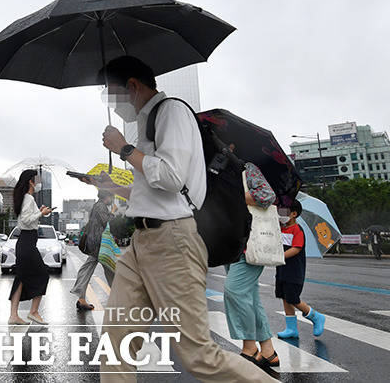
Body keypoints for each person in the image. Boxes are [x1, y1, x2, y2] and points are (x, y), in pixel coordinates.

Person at [87, 56, 276, 382]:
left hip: (172, 240)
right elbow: (154, 190)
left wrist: (124, 149)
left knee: (199, 356)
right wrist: (116, 185)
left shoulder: (171, 112)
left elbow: (172, 178)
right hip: (141, 242)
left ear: (132, 86)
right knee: (115, 342)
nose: (111, 103)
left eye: (111, 94)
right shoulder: (148, 123)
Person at [223, 162, 278, 368]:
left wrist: (231, 196)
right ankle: (268, 351)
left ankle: (249, 347)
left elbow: (266, 196)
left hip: (252, 244)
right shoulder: (215, 172)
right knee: (251, 299)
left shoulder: (247, 169)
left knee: (234, 291)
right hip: (231, 245)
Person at [276, 200, 326, 338]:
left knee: (293, 298)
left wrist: (279, 256)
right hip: (281, 269)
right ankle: (291, 329)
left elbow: (296, 249)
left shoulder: (297, 230)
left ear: (294, 214)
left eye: (284, 212)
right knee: (284, 297)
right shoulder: (281, 228)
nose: (280, 214)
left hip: (294, 271)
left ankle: (315, 316)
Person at [8, 169, 52, 325]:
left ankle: (13, 316)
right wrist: (41, 214)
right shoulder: (28, 198)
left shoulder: (26, 199)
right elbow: (26, 221)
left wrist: (40, 212)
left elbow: (27, 219)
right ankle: (33, 312)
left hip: (26, 242)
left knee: (21, 278)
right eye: (36, 180)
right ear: (30, 182)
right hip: (27, 243)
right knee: (43, 275)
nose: (38, 183)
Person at [70, 189, 116, 311]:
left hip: (97, 242)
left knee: (98, 268)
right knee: (110, 268)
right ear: (108, 196)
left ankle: (81, 298)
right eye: (112, 196)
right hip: (99, 243)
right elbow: (106, 221)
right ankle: (117, 298)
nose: (113, 199)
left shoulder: (98, 205)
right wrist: (112, 212)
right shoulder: (100, 206)